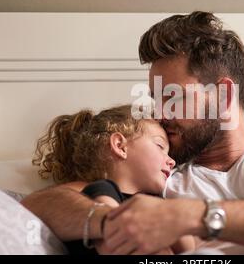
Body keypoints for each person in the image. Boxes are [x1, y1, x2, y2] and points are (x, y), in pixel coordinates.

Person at [22, 11, 244, 255]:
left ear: (224, 95)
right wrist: (110, 222)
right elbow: (40, 203)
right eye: (156, 99)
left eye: (173, 97)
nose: (160, 113)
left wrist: (185, 215)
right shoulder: (161, 178)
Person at [30, 104, 194, 254]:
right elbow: (116, 240)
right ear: (120, 146)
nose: (172, 161)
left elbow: (189, 248)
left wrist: (173, 218)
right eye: (160, 146)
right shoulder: (96, 190)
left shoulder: (156, 202)